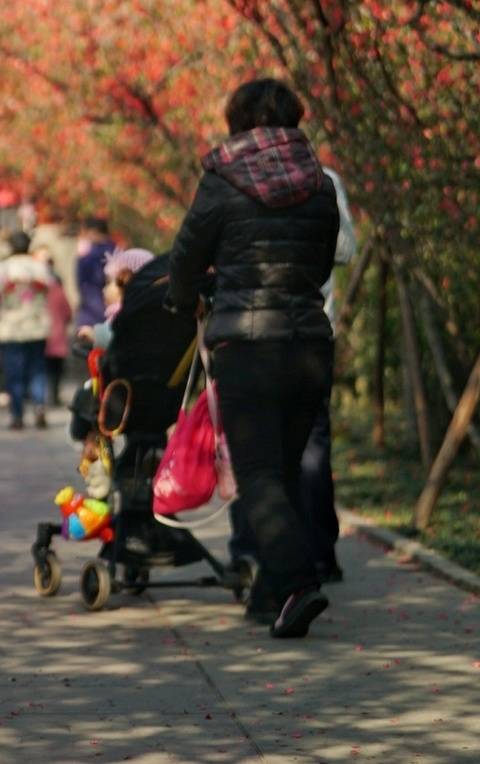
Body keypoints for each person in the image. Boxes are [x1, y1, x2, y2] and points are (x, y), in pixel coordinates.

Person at [168, 77, 338, 640]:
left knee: (258, 472)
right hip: (310, 341)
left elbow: (187, 255)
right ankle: (271, 596)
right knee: (283, 469)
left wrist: (183, 297)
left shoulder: (222, 180)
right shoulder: (320, 183)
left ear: (237, 121)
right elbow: (320, 264)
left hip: (246, 344)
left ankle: (298, 583)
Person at [226, 165, 357, 586]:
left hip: (252, 336)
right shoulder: (324, 180)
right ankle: (315, 556)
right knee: (309, 448)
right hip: (311, 332)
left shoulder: (235, 175)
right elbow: (345, 249)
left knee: (255, 451)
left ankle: (257, 553)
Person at [0, 230, 51, 430]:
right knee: (37, 370)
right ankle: (39, 407)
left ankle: (17, 414)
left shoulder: (2, 270)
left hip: (10, 328)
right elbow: (49, 294)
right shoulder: (40, 268)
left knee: (13, 373)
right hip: (36, 326)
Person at [40, 248, 73, 407]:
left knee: (43, 369)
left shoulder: (38, 291)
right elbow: (68, 312)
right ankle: (53, 395)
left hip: (42, 336)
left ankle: (43, 396)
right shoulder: (58, 290)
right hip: (57, 336)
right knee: (56, 370)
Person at [75, 217, 116, 333]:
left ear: (93, 232)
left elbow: (82, 279)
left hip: (92, 309)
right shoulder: (115, 251)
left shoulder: (93, 255)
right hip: (108, 308)